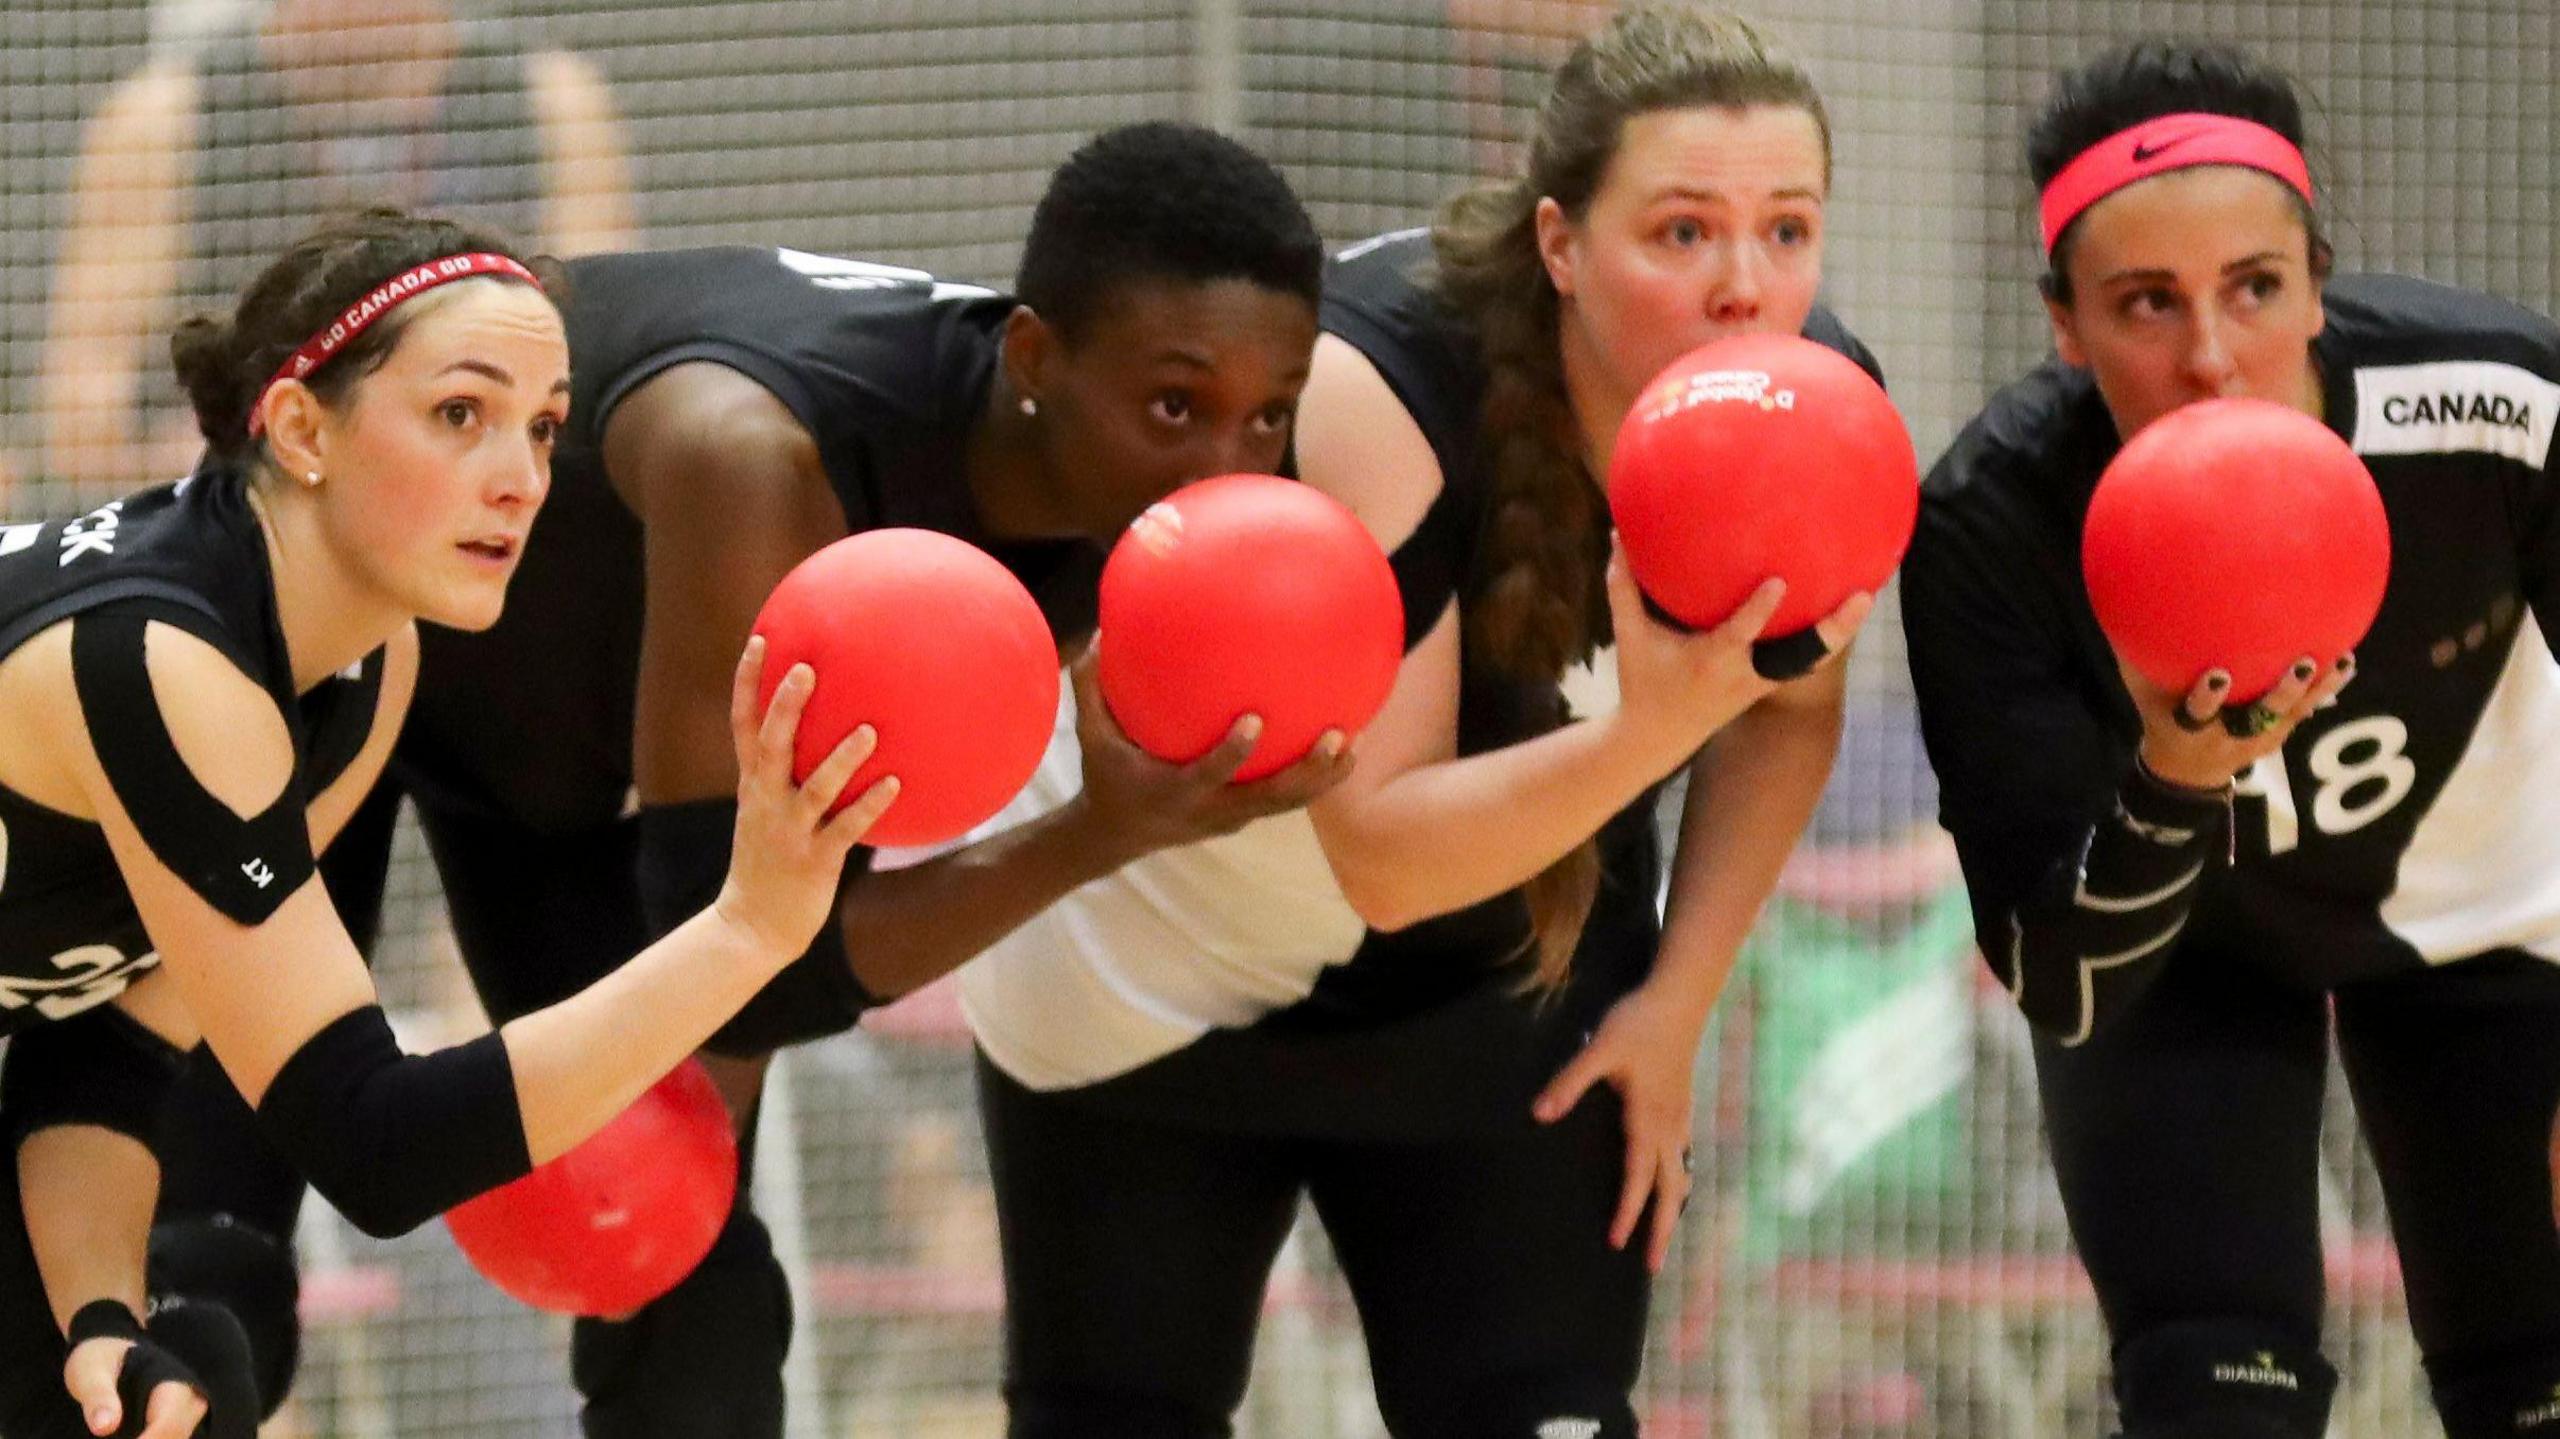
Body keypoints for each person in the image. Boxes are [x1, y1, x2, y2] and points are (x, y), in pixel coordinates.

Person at [149, 122, 1344, 1437]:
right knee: (210, 1232)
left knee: (688, 1259)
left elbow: (750, 960)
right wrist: (1097, 831)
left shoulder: (1084, 494)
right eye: (1178, 406)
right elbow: (745, 960)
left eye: (1271, 415)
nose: (1230, 472)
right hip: (325, 645)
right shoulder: (759, 455)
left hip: (551, 765)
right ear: (1034, 361)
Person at [947, 8, 1877, 1435]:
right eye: (1683, 233)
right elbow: (1380, 850)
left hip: (1506, 1000)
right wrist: (1652, 727)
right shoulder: (1378, 379)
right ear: (1561, 244)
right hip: (1160, 964)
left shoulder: (1820, 403)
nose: (1746, 289)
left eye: (1789, 230)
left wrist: (1677, 1000)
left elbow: (1787, 710)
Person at [0, 209, 888, 1439]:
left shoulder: (370, 667)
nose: (522, 475)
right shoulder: (161, 658)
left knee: (139, 1383)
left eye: (541, 426)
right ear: (301, 429)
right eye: (460, 415)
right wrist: (744, 930)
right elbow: (376, 1143)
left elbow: (100, 1049)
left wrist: (95, 1313)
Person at [1901, 37, 2560, 1439]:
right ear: (2064, 324)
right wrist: (2179, 772)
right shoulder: (1990, 521)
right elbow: (2061, 981)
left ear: (2318, 278)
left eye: (2254, 288)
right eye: (2146, 304)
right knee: (2216, 1393)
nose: (2210, 358)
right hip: (2186, 955)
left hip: (2495, 912)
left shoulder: (2501, 407)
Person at [36, 0, 632, 507]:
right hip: (249, 515)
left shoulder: (547, 105)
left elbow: (601, 362)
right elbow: (80, 417)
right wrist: (236, 459)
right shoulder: (166, 121)